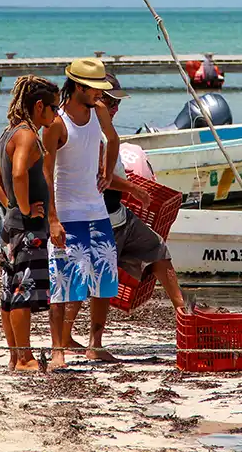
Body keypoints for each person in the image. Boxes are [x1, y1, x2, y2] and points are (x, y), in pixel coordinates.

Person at [63, 74, 185, 354]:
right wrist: (135, 189)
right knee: (91, 279)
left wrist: (127, 185)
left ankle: (184, 315)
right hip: (97, 217)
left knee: (157, 248)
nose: (115, 108)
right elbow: (100, 176)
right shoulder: (87, 131)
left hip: (119, 214)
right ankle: (71, 340)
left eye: (117, 103)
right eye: (110, 101)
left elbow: (111, 172)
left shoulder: (105, 131)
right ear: (95, 99)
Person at [42, 57, 120, 370]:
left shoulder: (98, 111)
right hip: (68, 212)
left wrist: (108, 172)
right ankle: (58, 350)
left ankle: (95, 345)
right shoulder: (58, 123)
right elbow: (45, 173)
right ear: (77, 87)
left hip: (97, 211)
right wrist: (52, 219)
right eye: (94, 89)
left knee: (104, 280)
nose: (100, 94)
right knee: (64, 283)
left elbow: (113, 139)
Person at [0, 75, 60, 371]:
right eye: (54, 108)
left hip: (11, 226)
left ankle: (16, 357)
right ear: (39, 106)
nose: (56, 114)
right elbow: (17, 174)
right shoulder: (27, 135)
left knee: (10, 292)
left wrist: (10, 205)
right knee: (22, 292)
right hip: (27, 229)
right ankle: (25, 358)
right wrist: (27, 209)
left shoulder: (10, 133)